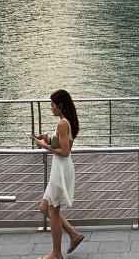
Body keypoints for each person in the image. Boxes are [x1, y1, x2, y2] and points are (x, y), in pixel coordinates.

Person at [32, 89, 85, 259]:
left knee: (53, 212)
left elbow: (65, 151)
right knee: (44, 208)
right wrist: (47, 140)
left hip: (60, 170)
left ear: (60, 105)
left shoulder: (63, 124)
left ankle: (56, 254)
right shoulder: (65, 122)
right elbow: (61, 143)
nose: (51, 108)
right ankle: (74, 235)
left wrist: (44, 146)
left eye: (53, 105)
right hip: (59, 168)